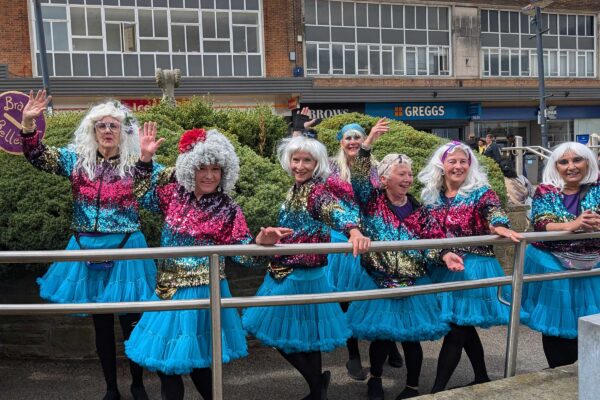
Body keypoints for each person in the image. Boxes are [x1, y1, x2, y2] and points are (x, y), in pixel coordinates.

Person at [124, 126, 291, 399]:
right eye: (203, 168)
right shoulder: (174, 194)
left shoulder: (228, 208)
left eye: (216, 169)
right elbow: (140, 194)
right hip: (167, 291)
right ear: (191, 168)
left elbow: (241, 253)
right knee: (168, 365)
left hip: (202, 292)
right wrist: (144, 160)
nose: (210, 175)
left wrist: (261, 241)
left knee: (198, 366)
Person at [20, 90, 156, 400]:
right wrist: (28, 122)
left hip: (126, 250)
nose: (108, 131)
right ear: (92, 130)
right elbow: (37, 156)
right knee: (102, 326)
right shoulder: (76, 161)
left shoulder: (137, 163)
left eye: (114, 126)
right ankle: (111, 388)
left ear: (122, 131)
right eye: (102, 126)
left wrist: (147, 161)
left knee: (132, 323)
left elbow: (152, 190)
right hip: (86, 249)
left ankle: (138, 384)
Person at [242, 135, 371, 400]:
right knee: (308, 337)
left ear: (317, 163)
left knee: (276, 335)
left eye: (307, 161)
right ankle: (317, 389)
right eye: (295, 159)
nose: (300, 166)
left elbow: (334, 209)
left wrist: (353, 230)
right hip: (290, 271)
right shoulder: (295, 189)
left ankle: (316, 386)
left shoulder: (316, 191)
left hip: (300, 275)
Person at [402, 141, 523, 393]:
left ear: (470, 165)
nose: (458, 166)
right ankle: (481, 376)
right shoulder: (431, 195)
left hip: (473, 268)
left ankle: (437, 390)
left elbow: (494, 211)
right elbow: (425, 229)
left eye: (463, 161)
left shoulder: (481, 191)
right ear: (442, 165)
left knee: (457, 330)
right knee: (463, 327)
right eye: (452, 161)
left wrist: (498, 225)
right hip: (443, 266)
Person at [345, 128, 450, 400]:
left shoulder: (418, 209)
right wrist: (366, 145)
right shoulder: (371, 203)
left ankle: (412, 386)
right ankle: (375, 379)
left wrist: (444, 255)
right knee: (381, 337)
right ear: (384, 179)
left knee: (411, 339)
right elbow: (358, 177)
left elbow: (434, 239)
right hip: (379, 280)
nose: (407, 179)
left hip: (413, 282)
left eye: (409, 174)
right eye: (401, 174)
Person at [326, 121, 403, 381]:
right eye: (348, 137)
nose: (353, 141)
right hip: (342, 242)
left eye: (357, 137)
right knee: (347, 300)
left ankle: (388, 343)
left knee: (378, 292)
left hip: (371, 238)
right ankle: (353, 354)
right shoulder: (330, 167)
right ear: (340, 141)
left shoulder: (374, 167)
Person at [521, 142, 600, 368]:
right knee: (555, 325)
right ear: (555, 166)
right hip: (552, 264)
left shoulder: (598, 186)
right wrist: (575, 224)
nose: (571, 166)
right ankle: (559, 370)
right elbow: (541, 223)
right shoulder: (546, 190)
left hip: (593, 266)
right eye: (564, 162)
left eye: (577, 160)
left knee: (592, 323)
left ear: (588, 162)